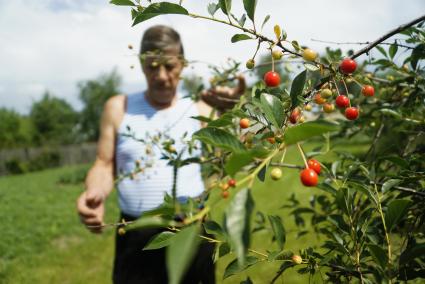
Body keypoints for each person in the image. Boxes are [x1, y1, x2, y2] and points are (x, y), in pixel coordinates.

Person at [76, 25, 245, 284]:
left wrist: (230, 114)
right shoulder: (118, 107)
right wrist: (94, 193)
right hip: (135, 235)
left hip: (192, 228)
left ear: (183, 64)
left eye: (170, 66)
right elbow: (103, 163)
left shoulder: (199, 107)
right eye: (152, 66)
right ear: (142, 64)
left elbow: (238, 154)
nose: (162, 75)